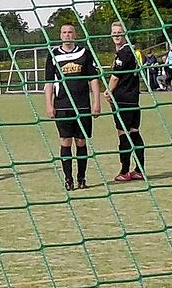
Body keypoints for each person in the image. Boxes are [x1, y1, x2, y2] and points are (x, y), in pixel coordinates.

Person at [44, 24, 101, 190]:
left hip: (82, 105)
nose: (67, 35)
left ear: (75, 35)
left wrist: (96, 101)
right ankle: (68, 179)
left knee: (81, 142)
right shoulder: (53, 54)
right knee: (65, 142)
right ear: (60, 35)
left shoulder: (85, 53)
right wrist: (49, 103)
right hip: (62, 105)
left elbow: (93, 79)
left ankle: (81, 178)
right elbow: (48, 82)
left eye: (70, 32)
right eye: (64, 32)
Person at [105, 22, 145, 182]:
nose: (116, 35)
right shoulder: (131, 52)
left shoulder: (125, 53)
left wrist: (108, 91)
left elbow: (116, 77)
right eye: (114, 32)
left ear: (125, 34)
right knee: (134, 132)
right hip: (133, 99)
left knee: (124, 134)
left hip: (123, 100)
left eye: (119, 32)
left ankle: (125, 171)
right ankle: (139, 169)